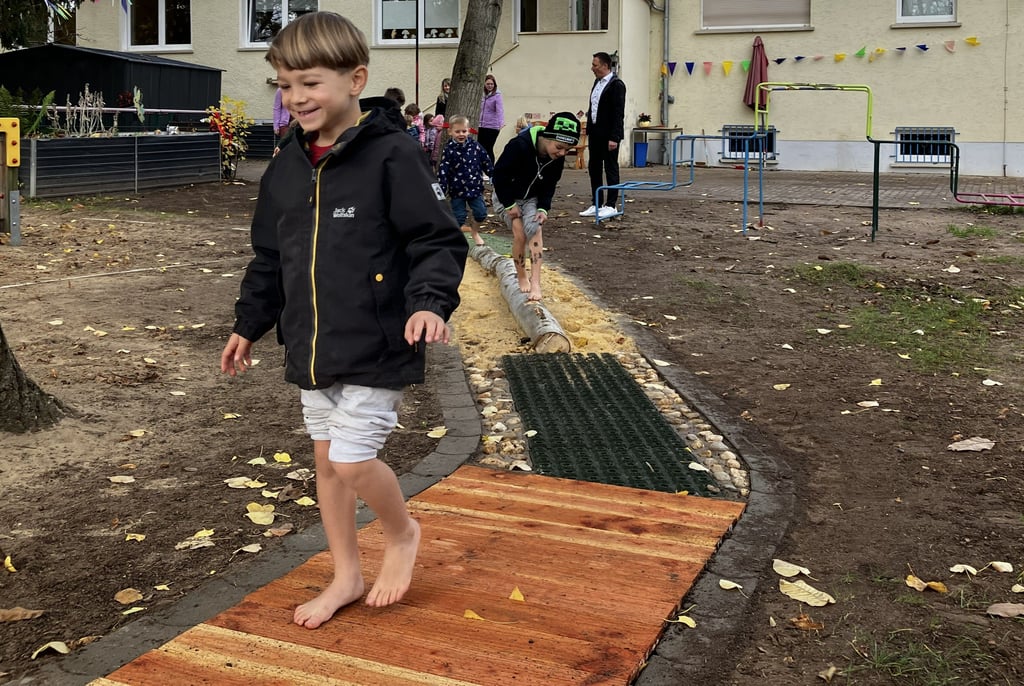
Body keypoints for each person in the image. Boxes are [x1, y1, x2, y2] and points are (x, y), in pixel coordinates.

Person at [219, 11, 467, 628]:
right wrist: (249, 324)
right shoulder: (285, 165)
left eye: (309, 82)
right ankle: (346, 574)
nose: (296, 97)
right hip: (311, 346)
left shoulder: (392, 156)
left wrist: (428, 303)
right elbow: (270, 257)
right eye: (284, 84)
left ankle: (403, 533)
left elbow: (435, 241)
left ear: (355, 79)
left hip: (379, 339)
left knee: (355, 462)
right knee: (327, 464)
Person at [491, 112, 580, 302]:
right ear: (547, 137)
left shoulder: (557, 157)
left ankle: (536, 282)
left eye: (568, 150)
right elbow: (499, 176)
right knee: (520, 234)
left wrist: (543, 208)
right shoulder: (519, 146)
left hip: (531, 198)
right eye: (559, 147)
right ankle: (521, 275)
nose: (562, 153)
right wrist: (509, 204)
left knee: (536, 229)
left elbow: (550, 184)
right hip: (505, 195)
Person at [581, 52, 626, 220]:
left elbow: (618, 113)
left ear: (605, 66)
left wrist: (614, 137)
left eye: (595, 65)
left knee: (611, 168)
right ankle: (597, 202)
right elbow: (594, 107)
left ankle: (611, 204)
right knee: (594, 167)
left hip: (609, 136)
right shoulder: (596, 83)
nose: (592, 68)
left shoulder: (616, 84)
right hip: (595, 134)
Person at [438, 114, 491, 246]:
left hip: (475, 188)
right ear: (450, 132)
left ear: (468, 130)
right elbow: (443, 170)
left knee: (481, 213)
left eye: (464, 131)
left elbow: (486, 160)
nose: (461, 134)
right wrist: (441, 189)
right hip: (458, 191)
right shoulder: (449, 150)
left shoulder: (475, 146)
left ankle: (475, 232)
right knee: (459, 217)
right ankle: (456, 239)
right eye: (457, 131)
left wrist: (492, 174)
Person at [477, 74, 504, 164]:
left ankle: (491, 170)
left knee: (488, 148)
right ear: (484, 84)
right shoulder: (482, 95)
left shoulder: (497, 95)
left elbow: (500, 110)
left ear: (494, 85)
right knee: (480, 148)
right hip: (481, 125)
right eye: (488, 84)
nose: (490, 86)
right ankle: (481, 168)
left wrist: (501, 123)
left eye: (492, 84)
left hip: (492, 127)